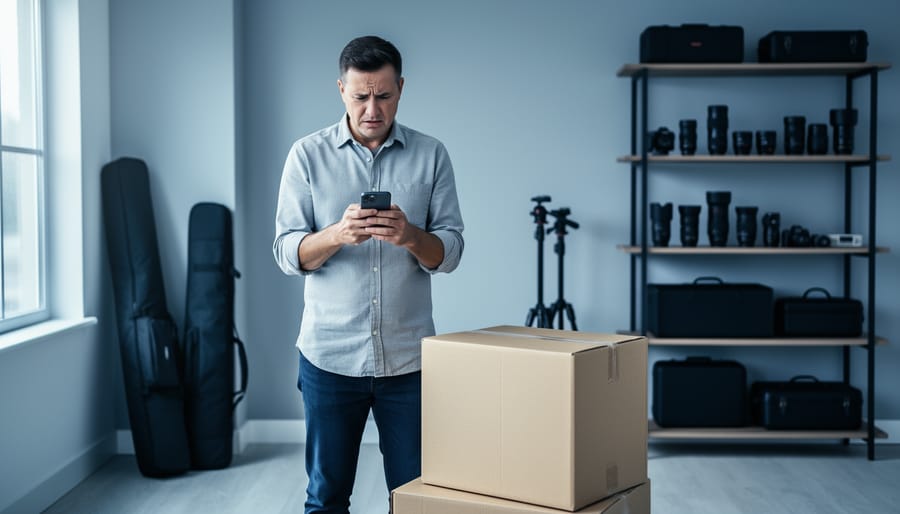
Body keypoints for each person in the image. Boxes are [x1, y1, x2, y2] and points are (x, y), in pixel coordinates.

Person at [272, 35, 464, 513]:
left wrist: (410, 236)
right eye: (360, 96)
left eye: (383, 95)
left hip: (409, 361)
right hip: (329, 359)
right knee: (326, 497)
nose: (372, 109)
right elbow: (286, 251)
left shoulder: (432, 154)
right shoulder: (306, 156)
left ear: (401, 87)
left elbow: (452, 250)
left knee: (418, 498)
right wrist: (337, 234)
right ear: (341, 90)